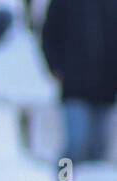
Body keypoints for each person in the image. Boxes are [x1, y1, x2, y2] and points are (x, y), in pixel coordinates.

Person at [41, 0, 117, 164]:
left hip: (106, 88)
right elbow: (49, 34)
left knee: (99, 151)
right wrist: (55, 66)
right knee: (76, 144)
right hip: (75, 86)